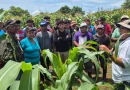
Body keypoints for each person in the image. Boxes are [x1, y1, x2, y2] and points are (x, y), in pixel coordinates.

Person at [99, 19, 130, 90]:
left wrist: (108, 52)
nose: (119, 30)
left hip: (124, 81)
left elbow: (124, 63)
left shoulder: (128, 43)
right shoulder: (123, 40)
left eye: (123, 28)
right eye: (120, 27)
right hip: (119, 79)